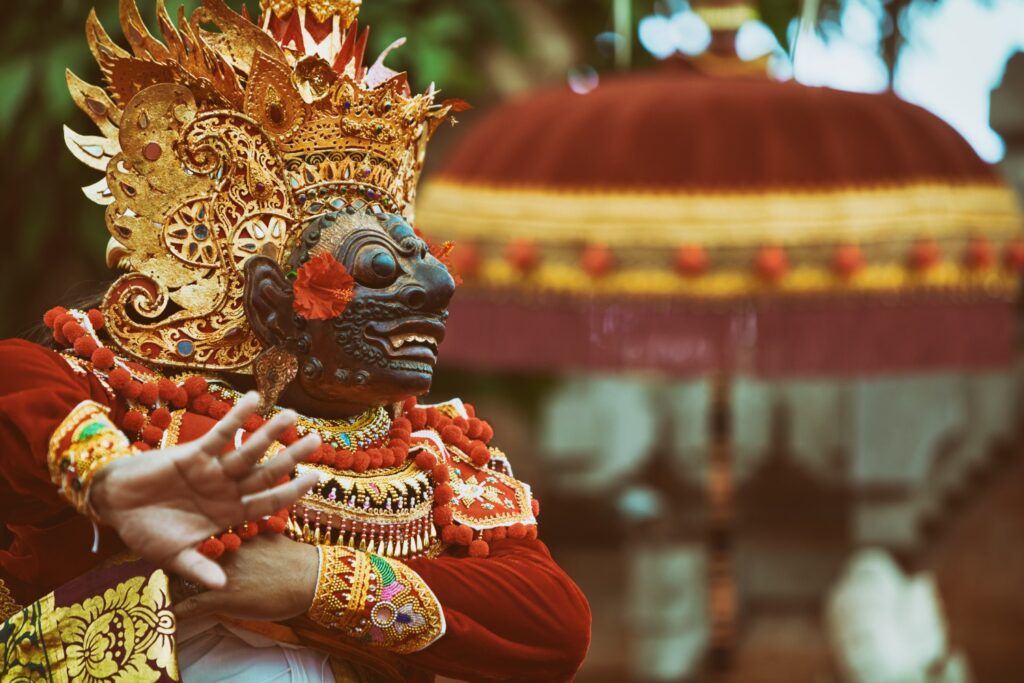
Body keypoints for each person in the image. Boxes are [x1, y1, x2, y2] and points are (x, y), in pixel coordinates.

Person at [0, 1, 591, 681]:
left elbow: (554, 624)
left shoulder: (435, 461)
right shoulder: (139, 407)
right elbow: (15, 379)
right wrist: (103, 475)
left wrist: (311, 580)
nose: (437, 288)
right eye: (379, 265)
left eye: (428, 260)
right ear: (271, 303)